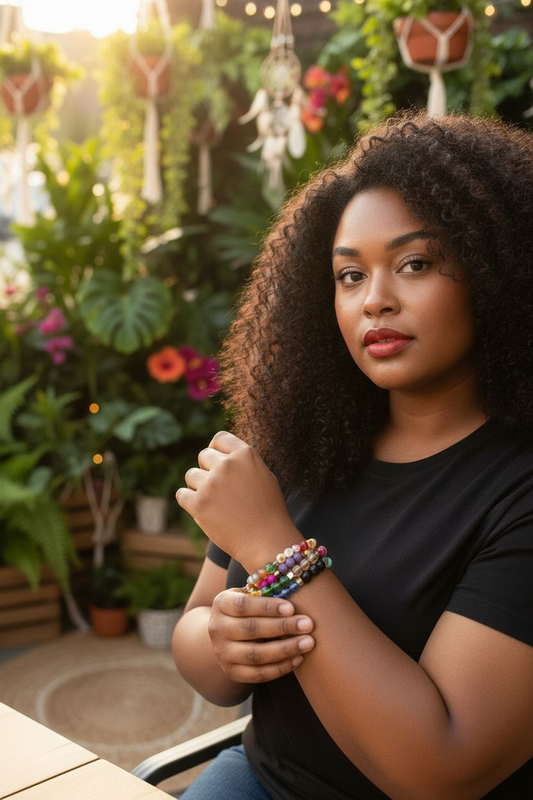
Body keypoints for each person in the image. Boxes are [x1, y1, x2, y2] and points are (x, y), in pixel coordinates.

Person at [172, 110, 533, 800]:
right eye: (347, 276)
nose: (374, 301)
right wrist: (220, 640)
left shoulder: (516, 489)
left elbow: (441, 769)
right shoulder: (300, 442)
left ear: (497, 271)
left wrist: (276, 549)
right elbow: (200, 654)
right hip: (263, 781)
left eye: (415, 264)